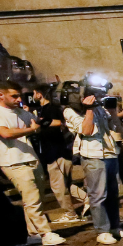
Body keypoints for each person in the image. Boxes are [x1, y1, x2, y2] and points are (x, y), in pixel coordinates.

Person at [0, 81, 65, 246]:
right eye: (14, 95)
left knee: (36, 198)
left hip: (31, 158)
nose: (17, 99)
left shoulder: (21, 112)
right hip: (12, 161)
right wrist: (32, 129)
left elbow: (40, 122)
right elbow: (5, 133)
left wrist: (55, 122)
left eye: (19, 95)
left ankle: (33, 233)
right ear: (1, 94)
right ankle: (45, 233)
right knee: (32, 198)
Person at [64, 88, 123, 244]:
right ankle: (102, 230)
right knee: (98, 195)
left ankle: (114, 226)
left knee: (113, 194)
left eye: (102, 95)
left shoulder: (102, 108)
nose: (100, 98)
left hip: (110, 153)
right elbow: (87, 130)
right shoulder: (71, 111)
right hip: (92, 155)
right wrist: (89, 109)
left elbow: (118, 130)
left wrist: (113, 112)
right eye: (97, 95)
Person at [33, 85, 84, 222]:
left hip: (56, 152)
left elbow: (59, 123)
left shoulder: (52, 109)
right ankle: (87, 200)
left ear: (39, 94)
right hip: (57, 152)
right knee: (66, 185)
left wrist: (38, 122)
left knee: (58, 186)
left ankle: (70, 213)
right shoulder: (45, 109)